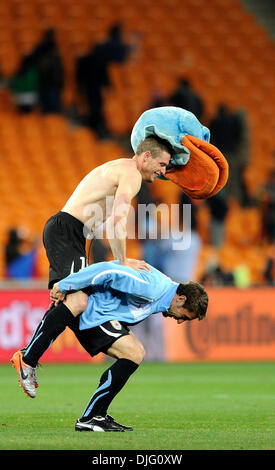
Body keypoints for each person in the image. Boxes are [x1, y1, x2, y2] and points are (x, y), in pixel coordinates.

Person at [13, 136, 172, 377]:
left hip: (72, 233)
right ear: (146, 156)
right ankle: (28, 358)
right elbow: (118, 221)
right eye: (162, 164)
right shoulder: (132, 174)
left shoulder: (120, 169)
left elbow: (110, 221)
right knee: (75, 301)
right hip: (69, 231)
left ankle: (30, 357)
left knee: (71, 301)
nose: (163, 171)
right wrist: (122, 262)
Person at [11, 260, 208, 432]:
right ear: (181, 299)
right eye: (184, 316)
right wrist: (65, 285)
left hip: (103, 314)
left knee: (136, 352)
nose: (180, 321)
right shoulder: (153, 288)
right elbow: (107, 270)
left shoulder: (164, 292)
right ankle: (90, 416)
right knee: (133, 353)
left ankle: (95, 416)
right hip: (94, 313)